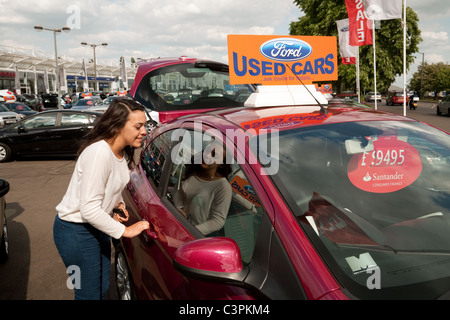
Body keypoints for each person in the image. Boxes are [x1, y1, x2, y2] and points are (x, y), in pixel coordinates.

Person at [53, 98, 150, 300]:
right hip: (75, 231)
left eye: (145, 126)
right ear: (117, 126)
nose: (144, 132)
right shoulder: (99, 153)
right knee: (87, 294)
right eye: (138, 126)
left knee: (101, 287)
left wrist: (117, 206)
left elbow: (107, 190)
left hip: (96, 228)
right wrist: (126, 231)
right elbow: (88, 208)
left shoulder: (121, 152)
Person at [173, 142, 232, 235]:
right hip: (176, 221)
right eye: (207, 151)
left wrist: (191, 231)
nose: (208, 155)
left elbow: (217, 221)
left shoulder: (223, 187)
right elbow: (177, 190)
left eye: (214, 155)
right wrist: (179, 208)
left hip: (194, 234)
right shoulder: (191, 169)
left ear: (221, 164)